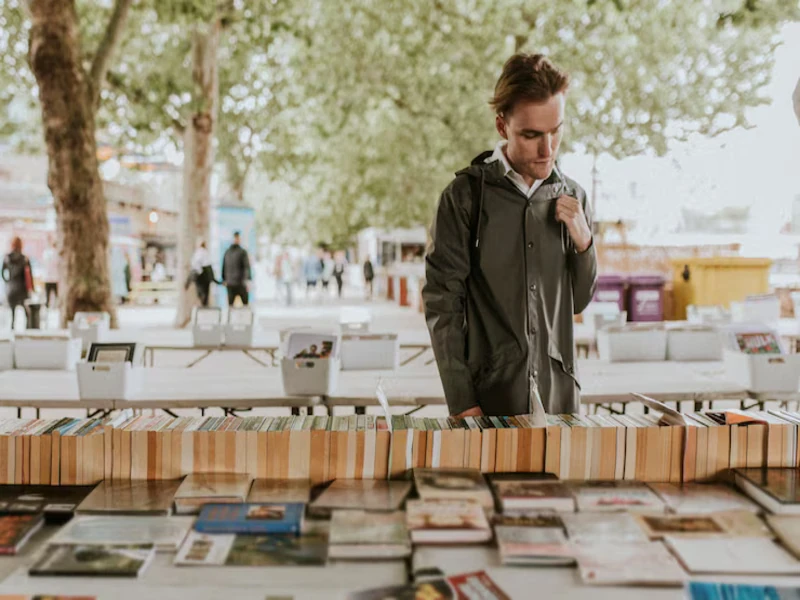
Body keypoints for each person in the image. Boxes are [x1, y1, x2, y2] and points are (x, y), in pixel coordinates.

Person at [422, 54, 597, 418]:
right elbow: (443, 306)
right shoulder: (464, 197)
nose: (547, 150)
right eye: (532, 135)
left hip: (559, 399)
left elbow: (577, 303)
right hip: (489, 399)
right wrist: (461, 400)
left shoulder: (574, 199)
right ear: (502, 127)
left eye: (556, 131)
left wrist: (584, 245)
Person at [2, 236, 32, 330]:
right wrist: (31, 289)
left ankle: (12, 328)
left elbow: (2, 273)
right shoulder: (24, 259)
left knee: (12, 311)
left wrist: (7, 281)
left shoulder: (7, 258)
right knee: (26, 311)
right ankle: (27, 329)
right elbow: (29, 275)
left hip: (11, 288)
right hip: (21, 288)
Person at [222, 231, 252, 306]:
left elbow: (246, 267)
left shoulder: (242, 252)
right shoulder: (227, 252)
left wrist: (247, 280)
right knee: (231, 306)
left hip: (240, 283)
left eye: (238, 238)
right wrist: (224, 279)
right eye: (236, 238)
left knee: (244, 305)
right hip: (231, 283)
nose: (237, 240)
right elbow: (224, 266)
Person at [188, 241, 219, 307]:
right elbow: (209, 267)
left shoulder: (196, 253)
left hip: (198, 277)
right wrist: (216, 281)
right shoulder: (205, 253)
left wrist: (187, 283)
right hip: (205, 276)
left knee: (200, 294)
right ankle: (203, 307)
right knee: (205, 295)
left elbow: (193, 267)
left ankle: (201, 306)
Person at [42, 237, 58, 309]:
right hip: (54, 278)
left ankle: (48, 308)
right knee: (55, 296)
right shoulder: (56, 254)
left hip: (48, 278)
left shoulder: (46, 253)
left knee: (47, 296)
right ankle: (54, 307)